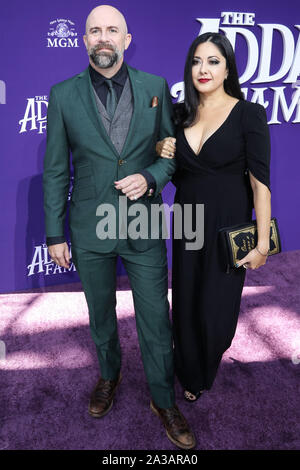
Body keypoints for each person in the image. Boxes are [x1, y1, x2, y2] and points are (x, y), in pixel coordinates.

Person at [43, 5, 195, 449]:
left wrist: (150, 177)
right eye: (94, 31)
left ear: (127, 40)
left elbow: (169, 152)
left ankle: (163, 398)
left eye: (112, 30)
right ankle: (109, 376)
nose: (103, 37)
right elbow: (55, 170)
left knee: (155, 319)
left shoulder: (155, 87)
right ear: (83, 40)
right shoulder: (62, 94)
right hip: (90, 227)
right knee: (100, 315)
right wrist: (55, 234)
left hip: (144, 221)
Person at [156, 32, 271, 402]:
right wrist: (161, 148)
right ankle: (191, 372)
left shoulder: (248, 113)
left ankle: (207, 361)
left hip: (228, 225)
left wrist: (263, 243)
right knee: (187, 300)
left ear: (227, 68)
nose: (203, 69)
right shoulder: (178, 114)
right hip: (189, 221)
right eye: (196, 61)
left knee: (217, 310)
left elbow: (260, 185)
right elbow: (168, 171)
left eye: (213, 61)